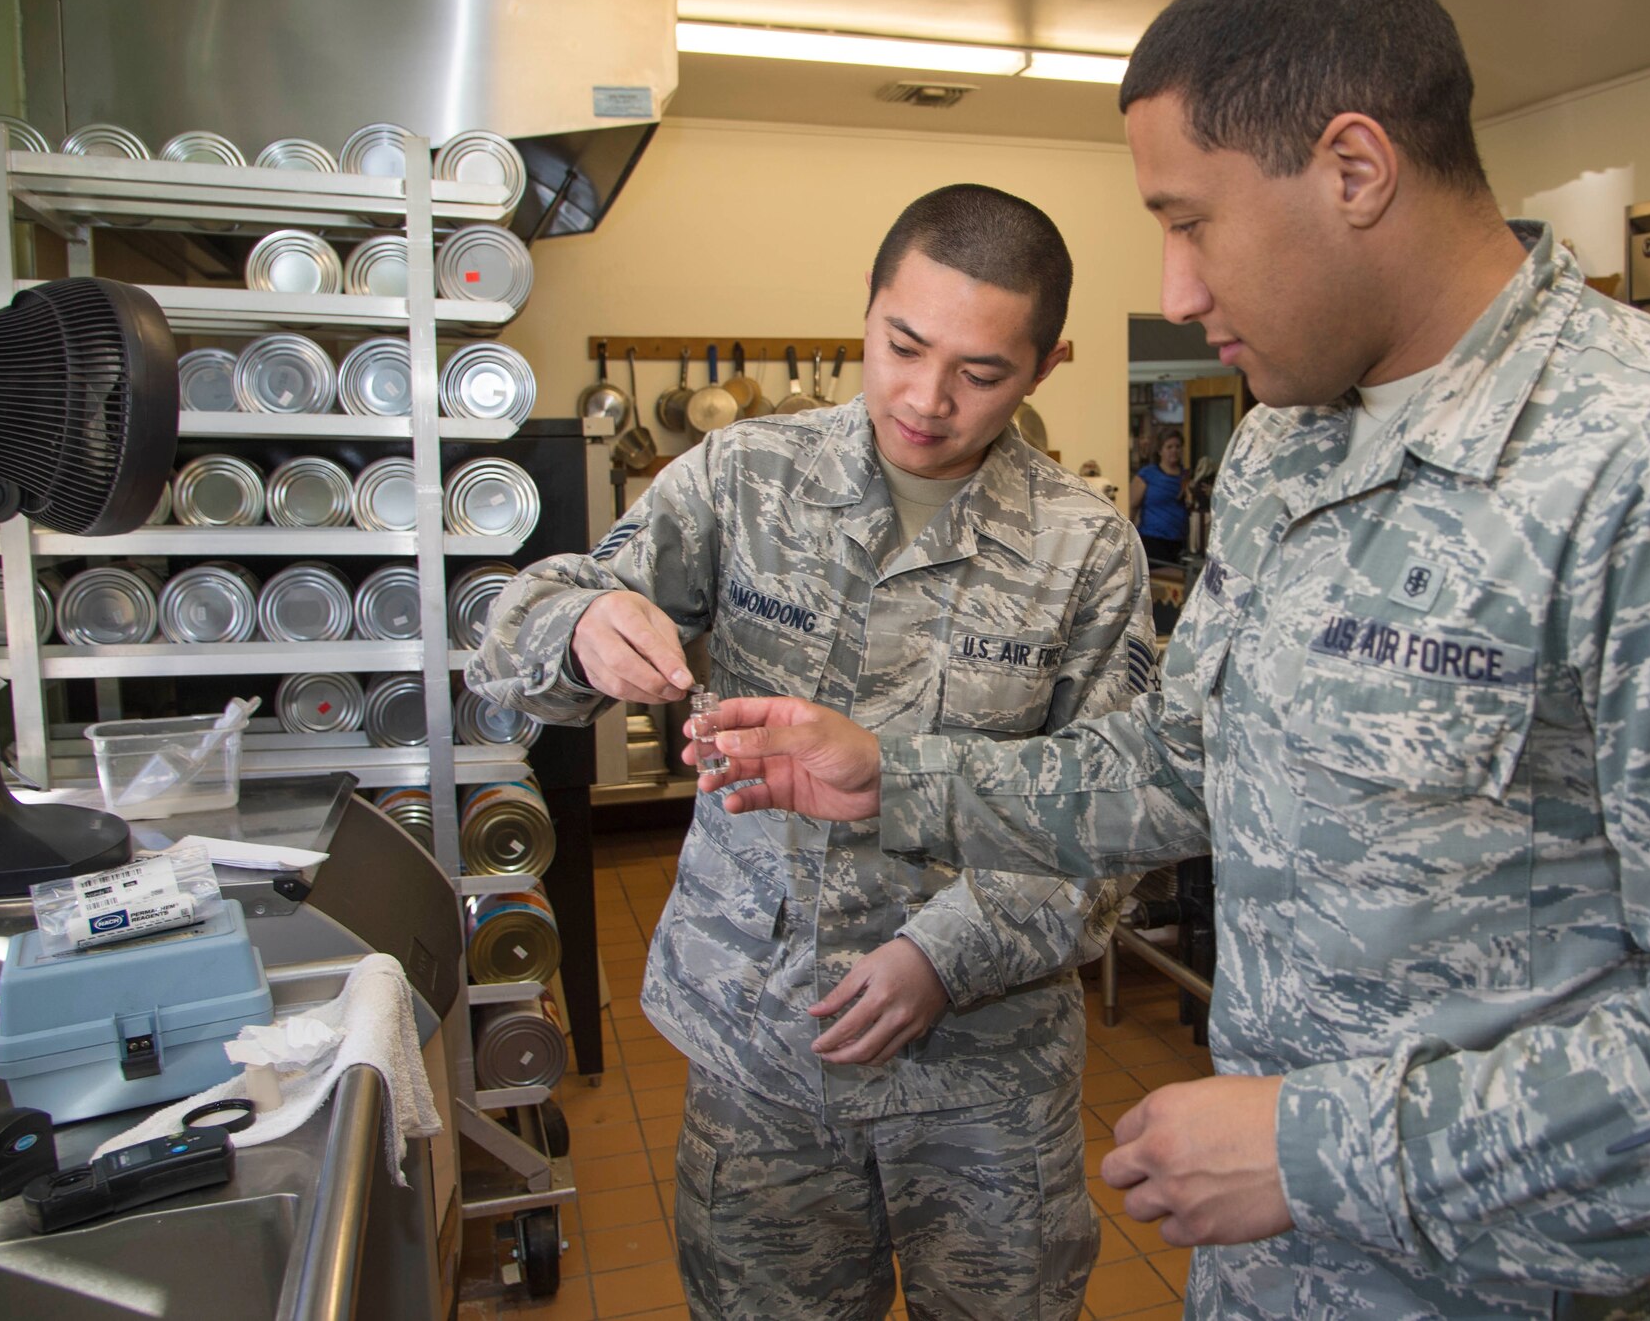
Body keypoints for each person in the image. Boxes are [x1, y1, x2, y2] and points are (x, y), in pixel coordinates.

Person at [685, 0, 1650, 1321]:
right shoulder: (1293, 443)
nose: (1172, 289)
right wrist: (897, 776)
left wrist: (1316, 1149)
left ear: (1354, 169)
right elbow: (1180, 765)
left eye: (1187, 220)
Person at [467, 183, 1155, 1320]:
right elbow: (521, 623)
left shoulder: (1084, 550)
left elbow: (1113, 813)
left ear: (1045, 364)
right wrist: (579, 629)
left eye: (981, 372)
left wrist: (946, 954)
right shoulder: (743, 478)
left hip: (983, 1078)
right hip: (762, 1052)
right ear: (869, 311)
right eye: (902, 345)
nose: (926, 399)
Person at [1131, 425, 1190, 563]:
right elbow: (1132, 507)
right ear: (1160, 451)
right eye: (1169, 447)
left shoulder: (1186, 477)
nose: (1174, 451)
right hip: (1152, 541)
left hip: (1179, 542)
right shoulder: (1147, 474)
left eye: (1177, 446)